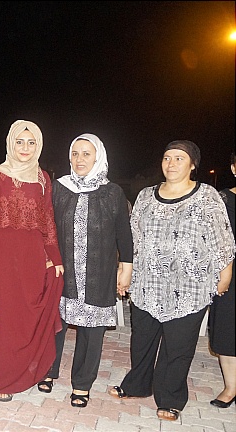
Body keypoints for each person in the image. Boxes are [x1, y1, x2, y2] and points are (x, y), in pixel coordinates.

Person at [110, 140, 234, 421]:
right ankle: (137, 385)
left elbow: (222, 239)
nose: (172, 163)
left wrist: (225, 274)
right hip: (147, 284)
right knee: (142, 340)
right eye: (167, 157)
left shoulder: (208, 196)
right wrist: (125, 271)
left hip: (190, 287)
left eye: (180, 158)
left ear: (193, 165)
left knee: (177, 347)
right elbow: (133, 238)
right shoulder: (145, 196)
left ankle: (170, 398)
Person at [0, 119, 64, 402]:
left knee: (29, 314)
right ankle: (4, 378)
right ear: (10, 142)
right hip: (1, 254)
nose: (25, 147)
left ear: (39, 146)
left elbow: (48, 221)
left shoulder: (43, 178)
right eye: (20, 141)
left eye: (31, 142)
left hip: (32, 254)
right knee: (5, 316)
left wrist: (54, 257)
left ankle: (31, 368)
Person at [42, 133, 133, 408]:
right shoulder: (59, 188)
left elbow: (124, 234)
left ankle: (82, 383)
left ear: (98, 157)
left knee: (92, 331)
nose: (79, 159)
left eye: (86, 154)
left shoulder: (112, 192)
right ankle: (47, 369)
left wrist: (126, 268)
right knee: (54, 323)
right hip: (62, 270)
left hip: (98, 272)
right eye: (75, 153)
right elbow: (46, 228)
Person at [209, 152, 236, 408]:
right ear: (234, 168)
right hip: (230, 273)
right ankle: (230, 388)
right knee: (228, 332)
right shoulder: (223, 200)